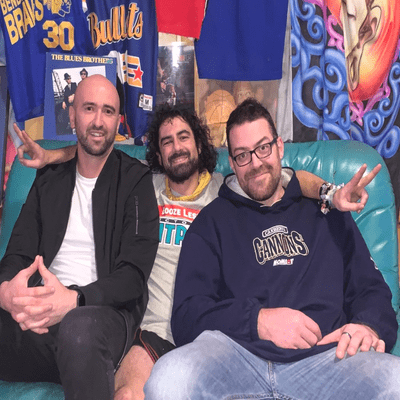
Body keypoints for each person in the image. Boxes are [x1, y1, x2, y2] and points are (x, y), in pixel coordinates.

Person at [15, 105, 380, 400]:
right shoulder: (145, 187)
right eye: (166, 141)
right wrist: (52, 155)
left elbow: (283, 178)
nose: (176, 147)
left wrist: (329, 194)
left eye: (184, 137)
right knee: (137, 392)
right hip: (160, 330)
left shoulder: (229, 190)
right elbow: (102, 152)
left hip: (234, 337)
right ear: (158, 153)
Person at [143, 98, 400, 400]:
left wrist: (368, 326)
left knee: (394, 381)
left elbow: (371, 289)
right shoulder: (210, 223)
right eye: (242, 155)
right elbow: (187, 317)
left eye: (263, 148)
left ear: (279, 147)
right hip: (236, 358)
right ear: (232, 163)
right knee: (167, 379)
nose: (255, 163)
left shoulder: (328, 212)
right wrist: (257, 321)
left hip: (326, 359)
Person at [0, 75, 159, 400]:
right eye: (89, 108)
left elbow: (133, 276)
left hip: (101, 315)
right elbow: (18, 252)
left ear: (118, 121)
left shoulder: (135, 180)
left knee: (79, 331)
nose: (98, 121)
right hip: (37, 313)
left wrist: (73, 300)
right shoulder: (49, 178)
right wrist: (6, 292)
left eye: (108, 111)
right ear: (72, 115)